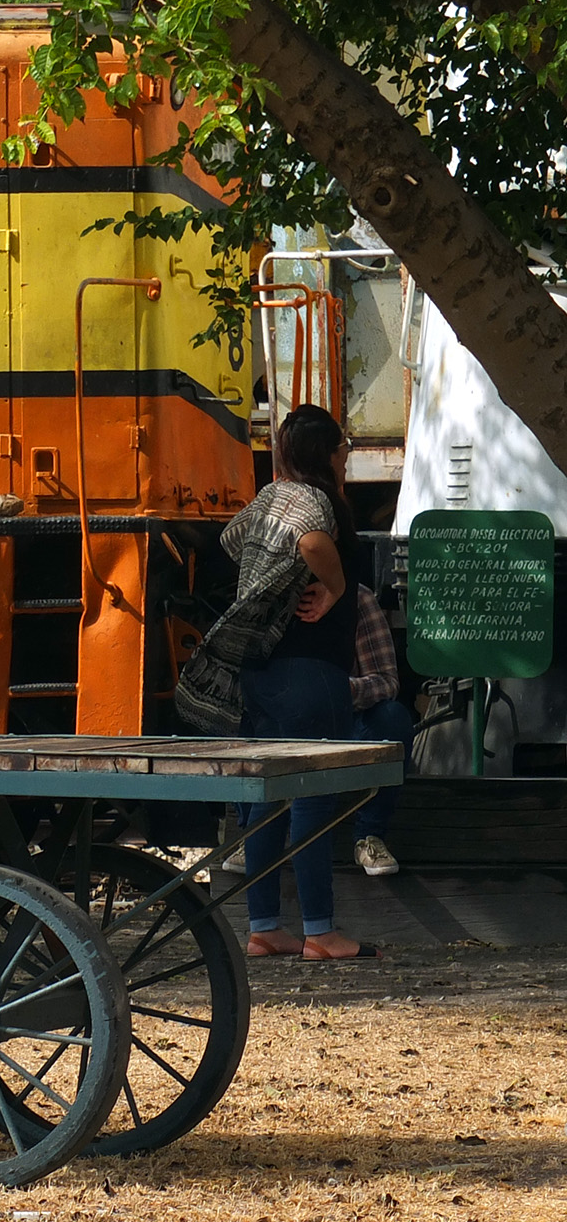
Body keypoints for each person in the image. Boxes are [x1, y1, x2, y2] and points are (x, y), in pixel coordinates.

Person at [223, 403, 379, 960]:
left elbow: (230, 538)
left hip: (263, 671)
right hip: (312, 670)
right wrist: (332, 585)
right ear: (332, 454)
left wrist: (271, 586)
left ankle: (264, 924)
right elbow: (313, 544)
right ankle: (320, 930)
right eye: (345, 450)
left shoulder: (271, 499)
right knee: (314, 797)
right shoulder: (319, 502)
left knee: (268, 801)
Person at [347, 584, 410, 875]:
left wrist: (343, 689)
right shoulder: (268, 593)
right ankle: (249, 833)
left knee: (392, 718)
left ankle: (369, 838)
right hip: (288, 722)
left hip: (346, 722)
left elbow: (387, 681)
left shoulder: (357, 598)